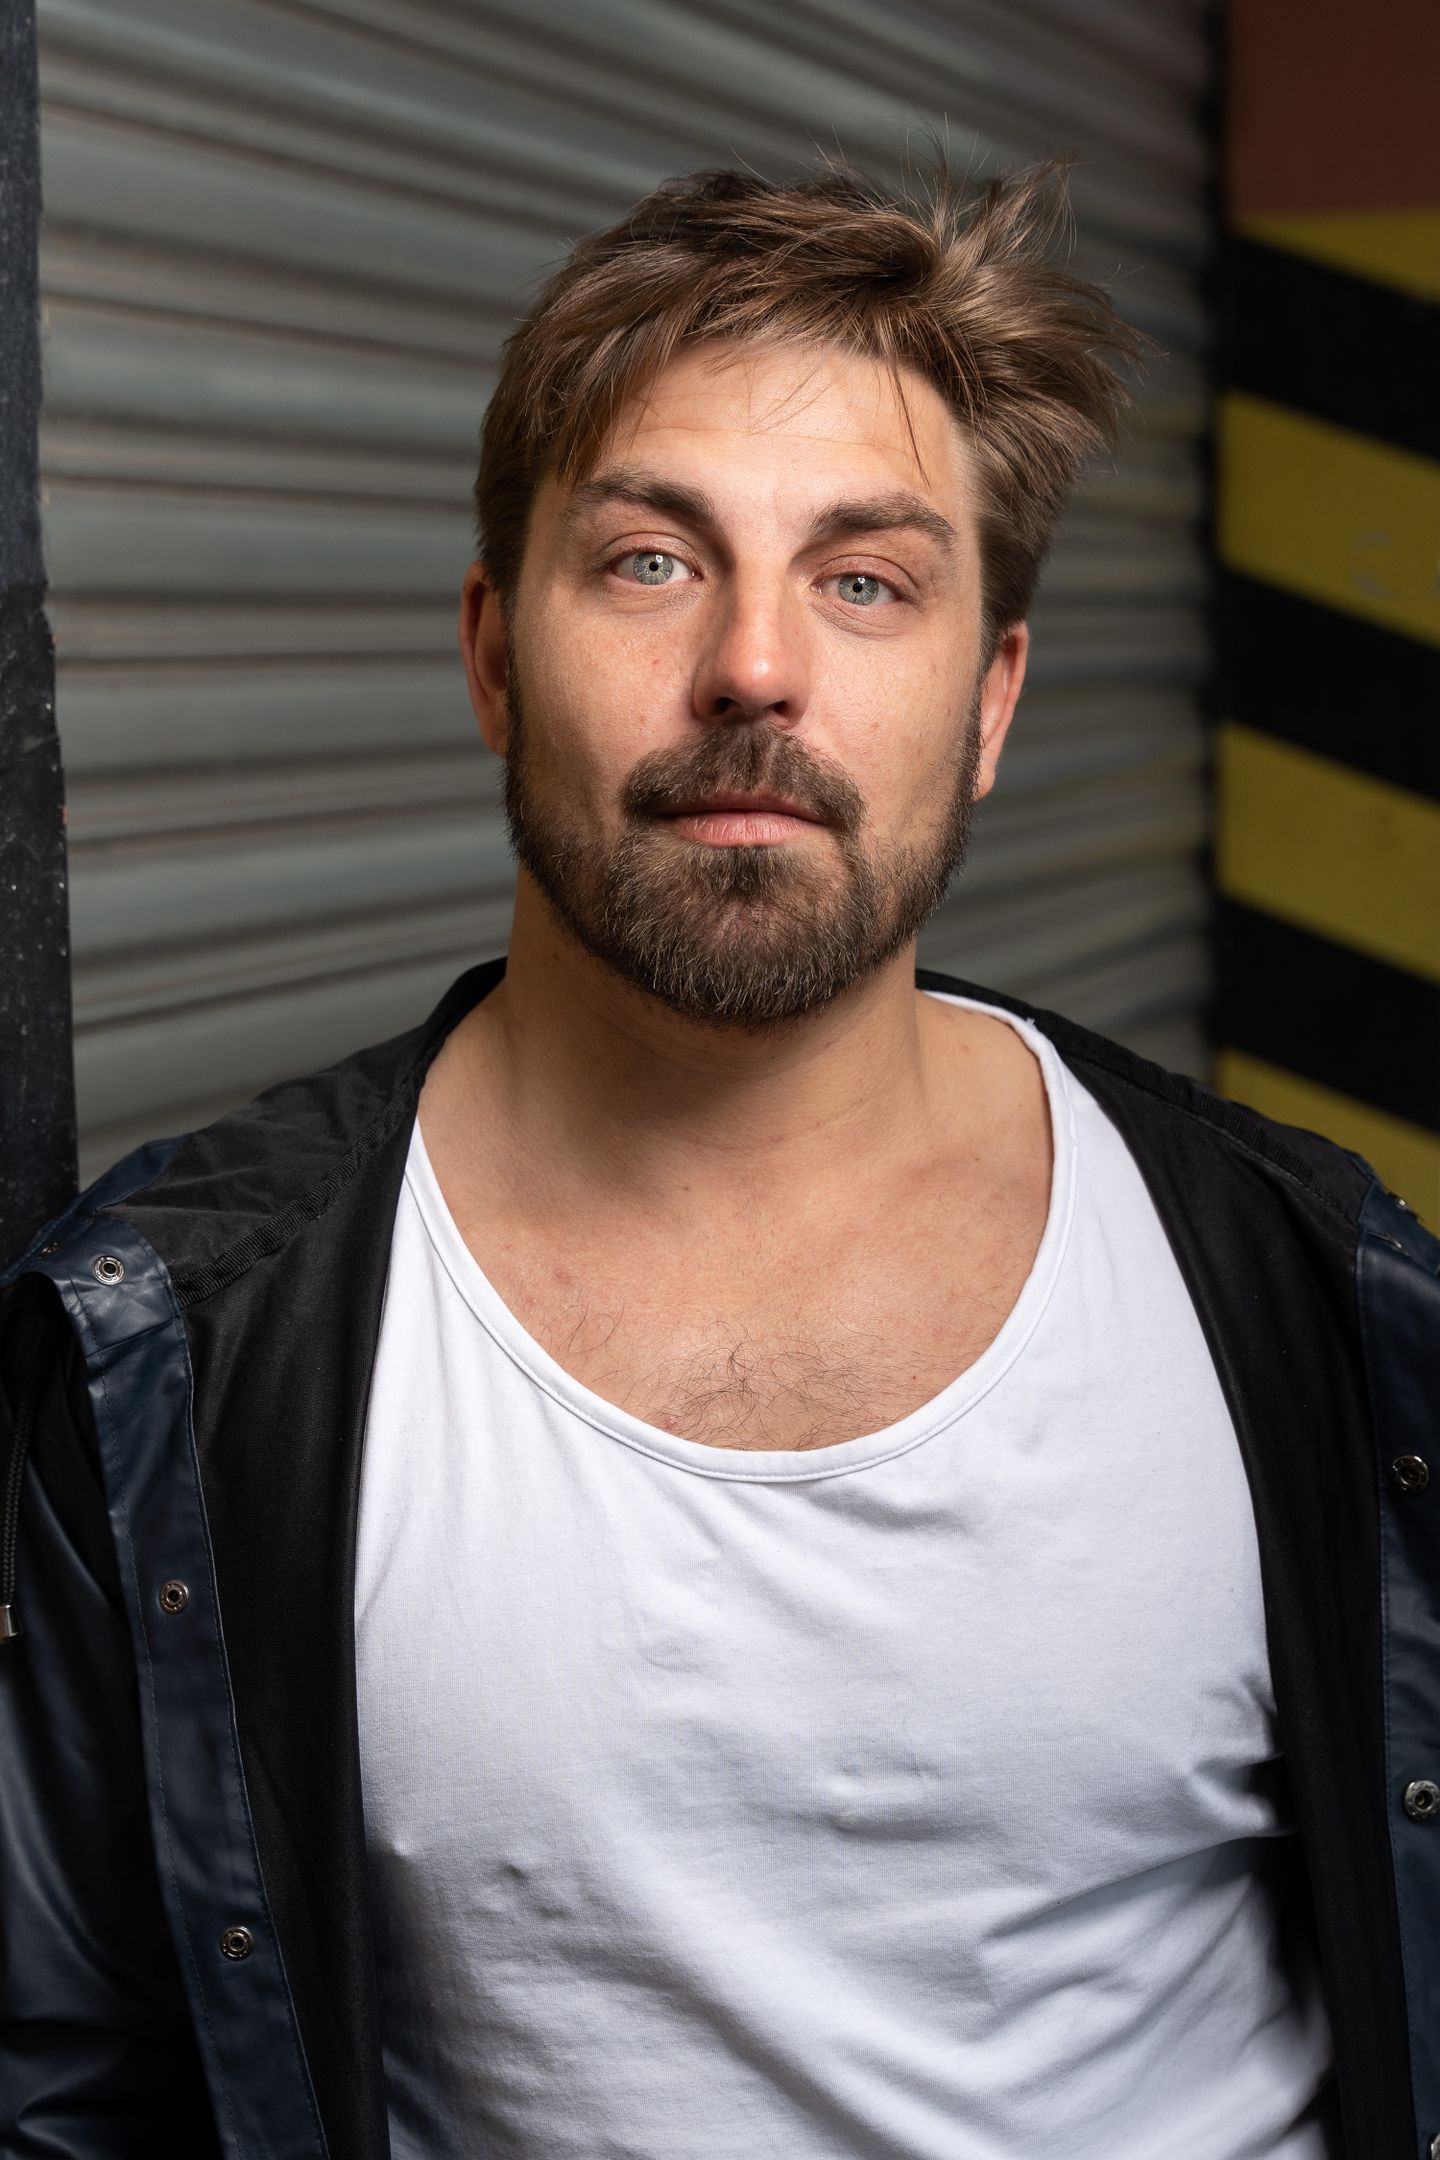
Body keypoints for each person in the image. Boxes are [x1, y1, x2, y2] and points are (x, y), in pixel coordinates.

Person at [0, 159, 1435, 2160]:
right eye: (652, 560)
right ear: (494, 655)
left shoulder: (1316, 1292)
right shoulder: (174, 1348)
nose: (756, 667)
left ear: (993, 701)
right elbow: (68, 2089)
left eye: (867, 581)